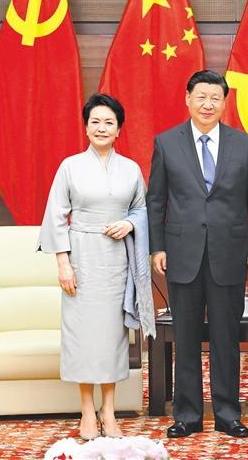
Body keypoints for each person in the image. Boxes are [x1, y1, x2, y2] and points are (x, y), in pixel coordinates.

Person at [147, 69, 248, 439]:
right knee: (185, 338)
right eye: (201, 96)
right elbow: (156, 201)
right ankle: (186, 415)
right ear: (188, 99)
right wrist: (157, 246)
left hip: (228, 253)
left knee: (225, 338)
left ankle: (227, 414)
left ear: (224, 102)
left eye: (215, 98)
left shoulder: (243, 144)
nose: (207, 104)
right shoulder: (166, 143)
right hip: (182, 254)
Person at [38, 94, 155, 440]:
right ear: (86, 127)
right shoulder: (70, 167)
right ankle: (87, 410)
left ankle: (110, 411)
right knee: (83, 337)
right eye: (95, 122)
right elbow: (56, 216)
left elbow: (143, 210)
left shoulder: (131, 169)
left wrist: (129, 224)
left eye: (109, 122)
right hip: (82, 258)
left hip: (117, 261)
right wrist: (64, 264)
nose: (102, 128)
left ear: (119, 129)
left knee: (112, 339)